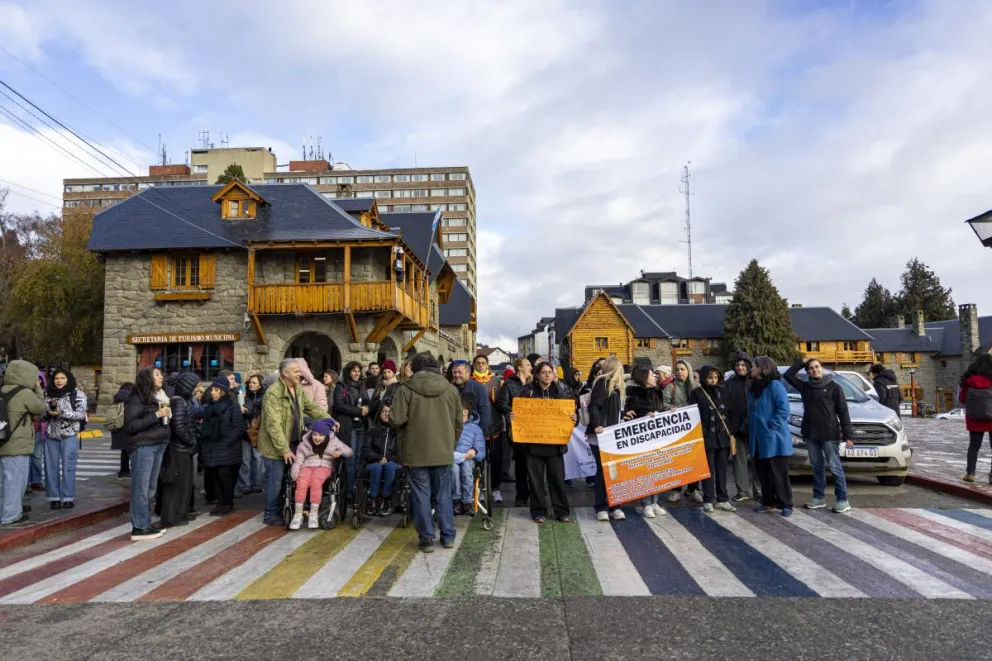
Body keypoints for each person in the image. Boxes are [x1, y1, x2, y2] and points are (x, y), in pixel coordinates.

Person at [389, 352, 462, 553]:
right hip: (443, 450)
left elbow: (395, 419)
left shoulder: (406, 389)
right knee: (443, 494)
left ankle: (427, 538)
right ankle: (448, 536)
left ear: (415, 368)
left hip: (415, 451)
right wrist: (450, 444)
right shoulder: (450, 389)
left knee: (421, 495)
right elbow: (458, 423)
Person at [258, 359, 331, 526]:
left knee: (291, 479)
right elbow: (273, 425)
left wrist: (329, 420)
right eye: (296, 371)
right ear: (285, 373)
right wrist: (284, 450)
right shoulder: (273, 393)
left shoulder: (297, 389)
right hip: (275, 447)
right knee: (274, 482)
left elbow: (311, 408)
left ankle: (286, 509)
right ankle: (270, 514)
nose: (300, 374)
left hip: (293, 442)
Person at [784, 358, 853, 512]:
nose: (814, 370)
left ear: (822, 368)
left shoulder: (835, 388)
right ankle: (818, 498)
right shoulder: (805, 387)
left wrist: (849, 434)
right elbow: (788, 375)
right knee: (817, 467)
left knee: (835, 467)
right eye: (811, 368)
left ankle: (843, 500)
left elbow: (843, 412)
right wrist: (801, 361)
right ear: (807, 372)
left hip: (829, 433)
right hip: (810, 433)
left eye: (817, 367)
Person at [517, 362, 574, 523]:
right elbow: (518, 413)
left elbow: (570, 413)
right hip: (534, 445)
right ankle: (538, 511)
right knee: (535, 481)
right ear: (537, 374)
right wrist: (513, 417)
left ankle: (561, 511)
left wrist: (573, 419)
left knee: (557, 479)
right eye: (543, 372)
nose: (547, 375)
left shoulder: (561, 390)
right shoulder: (528, 391)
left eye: (550, 372)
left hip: (555, 446)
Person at [124, 366, 172, 540]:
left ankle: (146, 522)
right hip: (144, 446)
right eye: (157, 374)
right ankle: (139, 527)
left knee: (151, 488)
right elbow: (131, 425)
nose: (161, 377)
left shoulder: (160, 396)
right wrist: (156, 414)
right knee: (141, 488)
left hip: (159, 444)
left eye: (161, 373)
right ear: (147, 379)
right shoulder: (137, 398)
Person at [0, 360, 47, 526]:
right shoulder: (25, 393)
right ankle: (11, 515)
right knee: (15, 481)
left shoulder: (2, 389)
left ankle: (4, 511)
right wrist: (38, 388)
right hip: (17, 445)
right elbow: (40, 408)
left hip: (2, 442)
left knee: (2, 482)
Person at [749, 356, 794, 516]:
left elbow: (783, 409)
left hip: (774, 438)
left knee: (778, 473)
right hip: (757, 437)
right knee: (763, 472)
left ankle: (785, 503)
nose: (751, 369)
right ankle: (768, 501)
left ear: (762, 368)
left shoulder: (775, 385)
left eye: (753, 366)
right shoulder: (754, 386)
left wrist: (771, 425)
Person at [289, 418, 350, 529]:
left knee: (315, 481)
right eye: (315, 434)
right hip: (307, 465)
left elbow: (349, 451)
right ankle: (298, 514)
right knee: (301, 481)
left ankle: (313, 513)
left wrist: (340, 452)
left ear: (326, 435)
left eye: (321, 435)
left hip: (324, 466)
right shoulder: (304, 444)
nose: (317, 438)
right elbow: (298, 461)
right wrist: (295, 471)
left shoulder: (334, 441)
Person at [691, 366, 736, 514]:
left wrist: (730, 431)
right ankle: (708, 499)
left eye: (716, 377)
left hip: (722, 436)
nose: (713, 380)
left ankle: (723, 499)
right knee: (708, 470)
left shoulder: (723, 391)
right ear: (704, 378)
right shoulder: (697, 393)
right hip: (707, 437)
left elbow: (729, 412)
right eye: (710, 377)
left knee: (722, 470)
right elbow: (693, 415)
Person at [199, 378, 246, 516]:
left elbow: (238, 427)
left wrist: (227, 442)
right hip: (211, 448)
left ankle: (227, 503)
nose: (213, 393)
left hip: (227, 448)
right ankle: (220, 503)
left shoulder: (232, 405)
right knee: (215, 476)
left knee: (225, 476)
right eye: (212, 390)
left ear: (223, 391)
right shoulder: (208, 407)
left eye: (216, 390)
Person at [588, 357, 626, 521]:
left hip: (611, 435)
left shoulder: (616, 386)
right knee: (603, 472)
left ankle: (613, 505)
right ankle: (602, 507)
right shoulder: (604, 383)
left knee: (612, 472)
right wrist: (597, 424)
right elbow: (594, 406)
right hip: (601, 435)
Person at [625, 364, 665, 517]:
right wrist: (645, 417)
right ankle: (646, 503)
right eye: (651, 375)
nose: (655, 377)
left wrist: (669, 411)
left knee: (657, 470)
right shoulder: (635, 395)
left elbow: (660, 410)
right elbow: (632, 417)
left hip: (657, 438)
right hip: (643, 440)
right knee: (645, 472)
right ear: (644, 378)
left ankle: (655, 501)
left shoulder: (657, 393)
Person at [43, 369, 87, 510]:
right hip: (51, 435)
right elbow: (42, 411)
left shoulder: (77, 394)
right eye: (56, 378)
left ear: (68, 379)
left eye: (62, 378)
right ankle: (53, 498)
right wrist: (47, 413)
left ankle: (68, 497)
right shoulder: (47, 393)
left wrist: (62, 413)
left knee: (69, 466)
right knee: (50, 467)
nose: (59, 381)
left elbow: (81, 414)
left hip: (69, 435)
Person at [161, 372, 200, 527]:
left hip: (183, 449)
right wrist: (191, 441)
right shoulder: (179, 402)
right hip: (180, 449)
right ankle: (175, 515)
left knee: (184, 484)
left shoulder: (183, 401)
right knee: (179, 484)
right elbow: (178, 426)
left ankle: (180, 513)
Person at [495, 357, 533, 507]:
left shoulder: (533, 384)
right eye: (528, 365)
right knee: (521, 463)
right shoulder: (509, 385)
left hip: (534, 428)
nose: (530, 367)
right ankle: (521, 495)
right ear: (519, 368)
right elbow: (501, 402)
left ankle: (535, 495)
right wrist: (509, 412)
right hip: (517, 429)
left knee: (534, 464)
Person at [663, 360, 702, 503]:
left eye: (682, 369)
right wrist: (671, 408)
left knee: (694, 460)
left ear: (688, 370)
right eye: (677, 369)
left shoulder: (697, 387)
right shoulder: (670, 387)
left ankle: (693, 489)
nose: (679, 372)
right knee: (677, 460)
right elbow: (664, 404)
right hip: (677, 430)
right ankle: (676, 490)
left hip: (694, 429)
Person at [333, 361, 370, 502]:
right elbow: (339, 404)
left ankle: (357, 489)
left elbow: (367, 402)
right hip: (348, 426)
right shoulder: (341, 386)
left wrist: (367, 408)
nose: (357, 373)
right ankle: (348, 493)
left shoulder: (361, 386)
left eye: (358, 371)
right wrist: (360, 410)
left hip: (361, 426)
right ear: (348, 372)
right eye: (354, 371)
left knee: (359, 459)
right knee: (350, 459)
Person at [472, 353, 505, 502]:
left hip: (495, 426)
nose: (480, 365)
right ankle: (480, 489)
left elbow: (503, 402)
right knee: (478, 460)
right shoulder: (470, 381)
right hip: (476, 427)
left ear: (487, 364)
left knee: (496, 459)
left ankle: (495, 489)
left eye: (483, 363)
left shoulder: (497, 381)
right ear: (474, 365)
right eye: (478, 363)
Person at [725, 352, 757, 502]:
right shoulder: (730, 384)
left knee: (758, 460)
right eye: (737, 365)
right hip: (736, 428)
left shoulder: (756, 381)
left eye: (743, 365)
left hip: (755, 427)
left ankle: (759, 491)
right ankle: (743, 490)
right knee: (739, 461)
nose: (740, 367)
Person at [363, 405, 402, 517]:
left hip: (393, 462)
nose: (386, 414)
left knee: (390, 467)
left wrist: (387, 459)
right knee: (376, 467)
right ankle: (373, 499)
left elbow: (401, 452)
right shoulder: (372, 430)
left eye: (390, 412)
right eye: (384, 411)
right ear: (379, 413)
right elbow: (366, 449)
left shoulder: (399, 433)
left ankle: (386, 498)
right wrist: (378, 458)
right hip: (374, 462)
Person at [959, 353, 992, 484]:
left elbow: (962, 400)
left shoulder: (969, 382)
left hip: (974, 419)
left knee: (974, 447)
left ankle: (970, 473)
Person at [451, 394, 486, 516]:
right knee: (454, 468)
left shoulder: (475, 429)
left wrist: (474, 451)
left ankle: (466, 502)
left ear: (465, 412)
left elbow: (481, 452)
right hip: (452, 458)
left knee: (466, 467)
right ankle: (456, 501)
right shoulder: (449, 426)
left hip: (468, 459)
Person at [237, 374, 264, 497]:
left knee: (258, 458)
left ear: (260, 384)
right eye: (250, 382)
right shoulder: (244, 395)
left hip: (258, 430)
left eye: (254, 383)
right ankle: (244, 485)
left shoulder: (264, 396)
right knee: (245, 459)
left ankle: (257, 483)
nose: (251, 385)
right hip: (245, 430)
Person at [451, 362, 492, 443]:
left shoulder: (478, 388)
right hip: (454, 434)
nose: (456, 375)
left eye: (459, 372)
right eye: (454, 372)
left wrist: (480, 435)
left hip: (474, 433)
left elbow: (484, 412)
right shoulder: (450, 388)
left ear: (468, 374)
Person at [27, 370, 47, 491]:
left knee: (37, 456)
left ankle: (36, 481)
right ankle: (26, 482)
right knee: (26, 458)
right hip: (26, 430)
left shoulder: (44, 394)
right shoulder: (24, 393)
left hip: (39, 429)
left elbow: (42, 410)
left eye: (38, 379)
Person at [110, 382, 133, 479]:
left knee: (124, 451)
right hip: (128, 427)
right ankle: (128, 471)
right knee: (132, 451)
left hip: (118, 427)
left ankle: (123, 472)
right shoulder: (131, 397)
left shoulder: (117, 397)